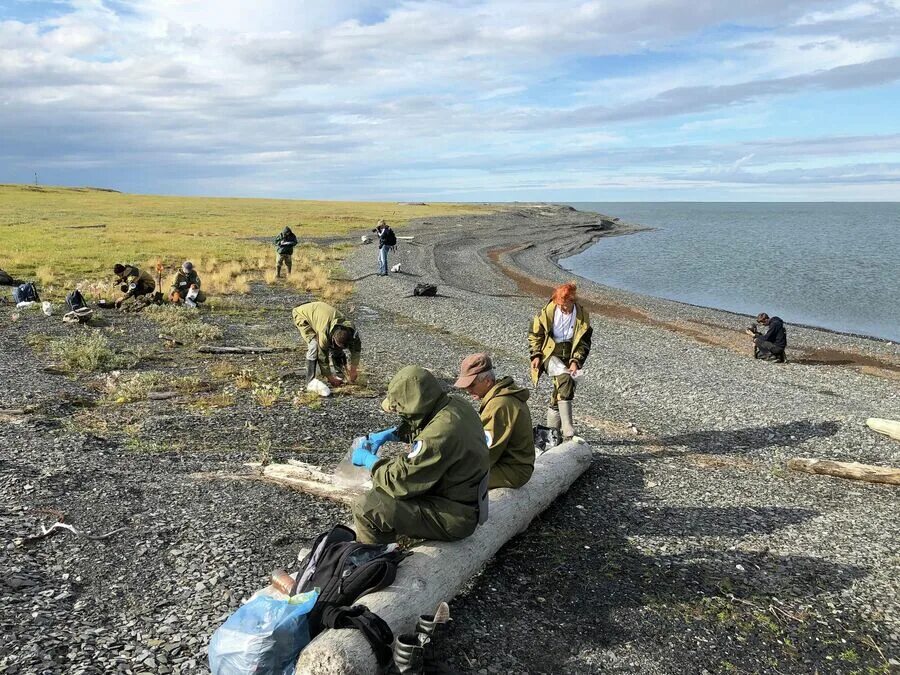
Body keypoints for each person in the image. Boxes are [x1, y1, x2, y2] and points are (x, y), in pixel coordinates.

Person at [350, 365, 490, 544]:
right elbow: (426, 423)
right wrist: (394, 433)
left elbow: (399, 481)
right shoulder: (456, 404)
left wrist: (369, 461)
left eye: (399, 408)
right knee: (383, 494)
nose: (398, 412)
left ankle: (377, 563)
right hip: (467, 501)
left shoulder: (439, 434)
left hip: (454, 517)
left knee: (367, 506)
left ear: (413, 405)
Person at [454, 353, 534, 489]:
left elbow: (485, 451)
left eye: (472, 385)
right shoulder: (504, 393)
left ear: (487, 381)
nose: (468, 390)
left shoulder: (499, 405)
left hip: (513, 470)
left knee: (456, 482)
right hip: (513, 462)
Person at [528, 282, 592, 440]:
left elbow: (584, 343)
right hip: (549, 354)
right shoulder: (546, 313)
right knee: (565, 378)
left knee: (561, 390)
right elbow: (535, 335)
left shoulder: (582, 316)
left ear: (573, 301)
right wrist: (536, 355)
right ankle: (568, 431)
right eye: (560, 305)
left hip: (570, 355)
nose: (562, 308)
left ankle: (552, 433)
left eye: (565, 306)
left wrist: (575, 361)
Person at [291, 301, 361, 387]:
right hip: (302, 314)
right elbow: (322, 358)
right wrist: (330, 378)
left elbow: (356, 350)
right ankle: (310, 381)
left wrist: (353, 369)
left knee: (336, 349)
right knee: (314, 346)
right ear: (333, 338)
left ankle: (340, 375)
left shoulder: (352, 332)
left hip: (319, 312)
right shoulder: (324, 336)